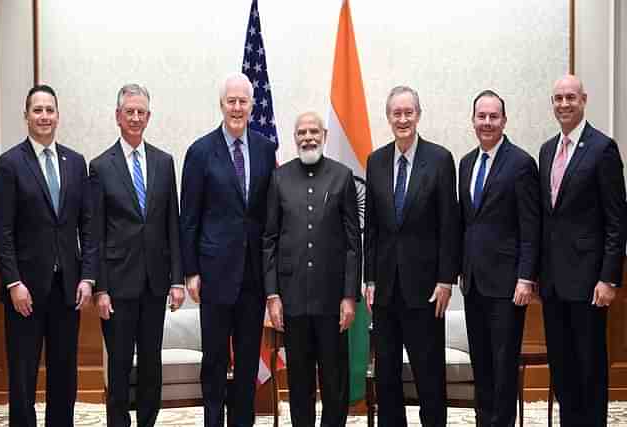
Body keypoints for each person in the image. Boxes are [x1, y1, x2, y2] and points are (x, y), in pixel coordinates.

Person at [0, 84, 95, 427]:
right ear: (26, 117)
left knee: (64, 376)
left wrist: (87, 277)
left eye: (50, 110)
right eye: (38, 110)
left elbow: (88, 227)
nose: (44, 116)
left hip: (67, 290)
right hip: (26, 293)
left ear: (58, 116)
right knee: (22, 377)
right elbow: (1, 231)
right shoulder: (9, 165)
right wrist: (13, 283)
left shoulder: (76, 163)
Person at [179, 72, 277, 427]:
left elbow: (271, 215)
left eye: (243, 101)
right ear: (221, 105)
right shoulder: (200, 151)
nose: (237, 108)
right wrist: (190, 271)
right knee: (215, 360)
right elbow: (188, 217)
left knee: (249, 360)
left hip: (253, 276)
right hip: (214, 275)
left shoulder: (267, 149)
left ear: (253, 106)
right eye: (231, 101)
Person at [363, 85, 460, 427]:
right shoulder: (375, 161)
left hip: (427, 290)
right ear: (388, 117)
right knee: (387, 376)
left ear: (419, 114)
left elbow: (450, 225)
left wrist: (446, 279)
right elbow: (371, 228)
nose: (402, 119)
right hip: (386, 291)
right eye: (396, 113)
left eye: (409, 112)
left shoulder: (440, 159)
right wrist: (369, 278)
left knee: (429, 375)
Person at [89, 84, 184, 427]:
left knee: (150, 363)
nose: (135, 117)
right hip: (116, 285)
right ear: (118, 116)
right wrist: (99, 287)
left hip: (156, 283)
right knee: (118, 365)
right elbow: (94, 232)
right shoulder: (100, 166)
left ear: (149, 117)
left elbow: (172, 223)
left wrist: (176, 279)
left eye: (141, 112)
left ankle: (147, 421)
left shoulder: (163, 161)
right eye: (129, 111)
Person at [538, 74, 627, 427]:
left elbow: (617, 221)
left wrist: (608, 278)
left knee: (589, 368)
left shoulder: (603, 149)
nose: (563, 104)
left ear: (584, 100)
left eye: (570, 97)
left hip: (590, 283)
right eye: (558, 98)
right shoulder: (547, 150)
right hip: (554, 284)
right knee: (562, 369)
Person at [262, 112, 361, 427]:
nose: (308, 137)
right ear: (295, 137)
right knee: (300, 381)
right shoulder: (279, 178)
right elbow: (270, 240)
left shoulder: (342, 176)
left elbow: (352, 243)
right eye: (302, 132)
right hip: (292, 300)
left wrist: (349, 296)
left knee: (335, 380)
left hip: (332, 300)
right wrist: (273, 294)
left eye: (313, 131)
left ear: (325, 135)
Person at [458, 90, 540, 426]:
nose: (487, 123)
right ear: (473, 120)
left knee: (504, 365)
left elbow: (530, 226)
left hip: (508, 285)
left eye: (494, 117)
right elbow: (465, 223)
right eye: (481, 116)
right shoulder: (465, 163)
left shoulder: (521, 164)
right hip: (474, 283)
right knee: (482, 363)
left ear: (504, 121)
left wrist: (526, 277)